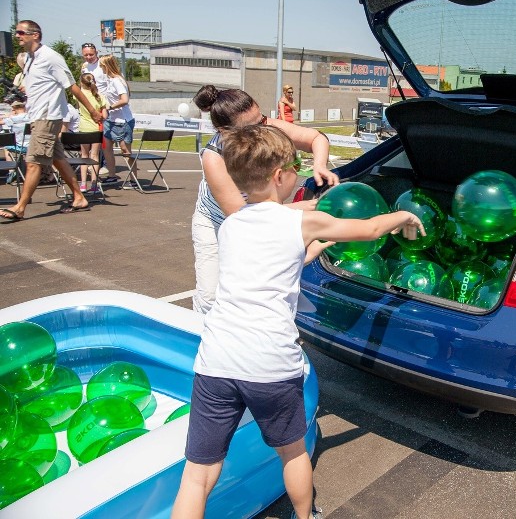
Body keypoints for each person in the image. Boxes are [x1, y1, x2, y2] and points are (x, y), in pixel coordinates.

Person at [171, 124, 424, 519]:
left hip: (216, 360)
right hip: (269, 362)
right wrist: (403, 214)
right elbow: (371, 228)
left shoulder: (232, 223)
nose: (298, 173)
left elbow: (268, 270)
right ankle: (304, 517)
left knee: (198, 473)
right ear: (278, 176)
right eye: (296, 166)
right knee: (291, 453)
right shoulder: (300, 222)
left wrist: (310, 250)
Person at [191, 85, 340, 314]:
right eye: (253, 126)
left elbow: (316, 138)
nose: (263, 127)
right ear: (225, 131)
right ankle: (201, 334)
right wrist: (300, 208)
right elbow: (239, 214)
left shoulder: (264, 126)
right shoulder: (214, 157)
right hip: (217, 222)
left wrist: (319, 165)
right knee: (211, 294)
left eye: (261, 118)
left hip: (261, 213)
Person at [0, 20, 102, 222]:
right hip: (36, 115)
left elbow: (72, 86)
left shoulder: (51, 57)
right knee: (58, 159)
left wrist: (92, 110)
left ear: (35, 34)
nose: (17, 35)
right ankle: (79, 197)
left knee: (33, 162)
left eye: (21, 32)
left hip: (48, 117)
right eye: (17, 32)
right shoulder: (30, 59)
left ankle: (20, 207)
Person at [99, 54, 134, 185]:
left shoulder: (117, 80)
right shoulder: (109, 80)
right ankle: (112, 175)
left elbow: (124, 100)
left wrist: (110, 107)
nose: (101, 68)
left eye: (102, 66)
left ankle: (133, 179)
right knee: (106, 148)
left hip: (123, 121)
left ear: (107, 66)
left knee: (126, 151)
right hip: (110, 120)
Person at [76, 73, 108, 192]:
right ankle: (94, 184)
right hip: (96, 128)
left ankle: (83, 183)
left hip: (84, 127)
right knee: (94, 156)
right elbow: (104, 115)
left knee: (84, 156)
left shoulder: (79, 95)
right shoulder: (100, 96)